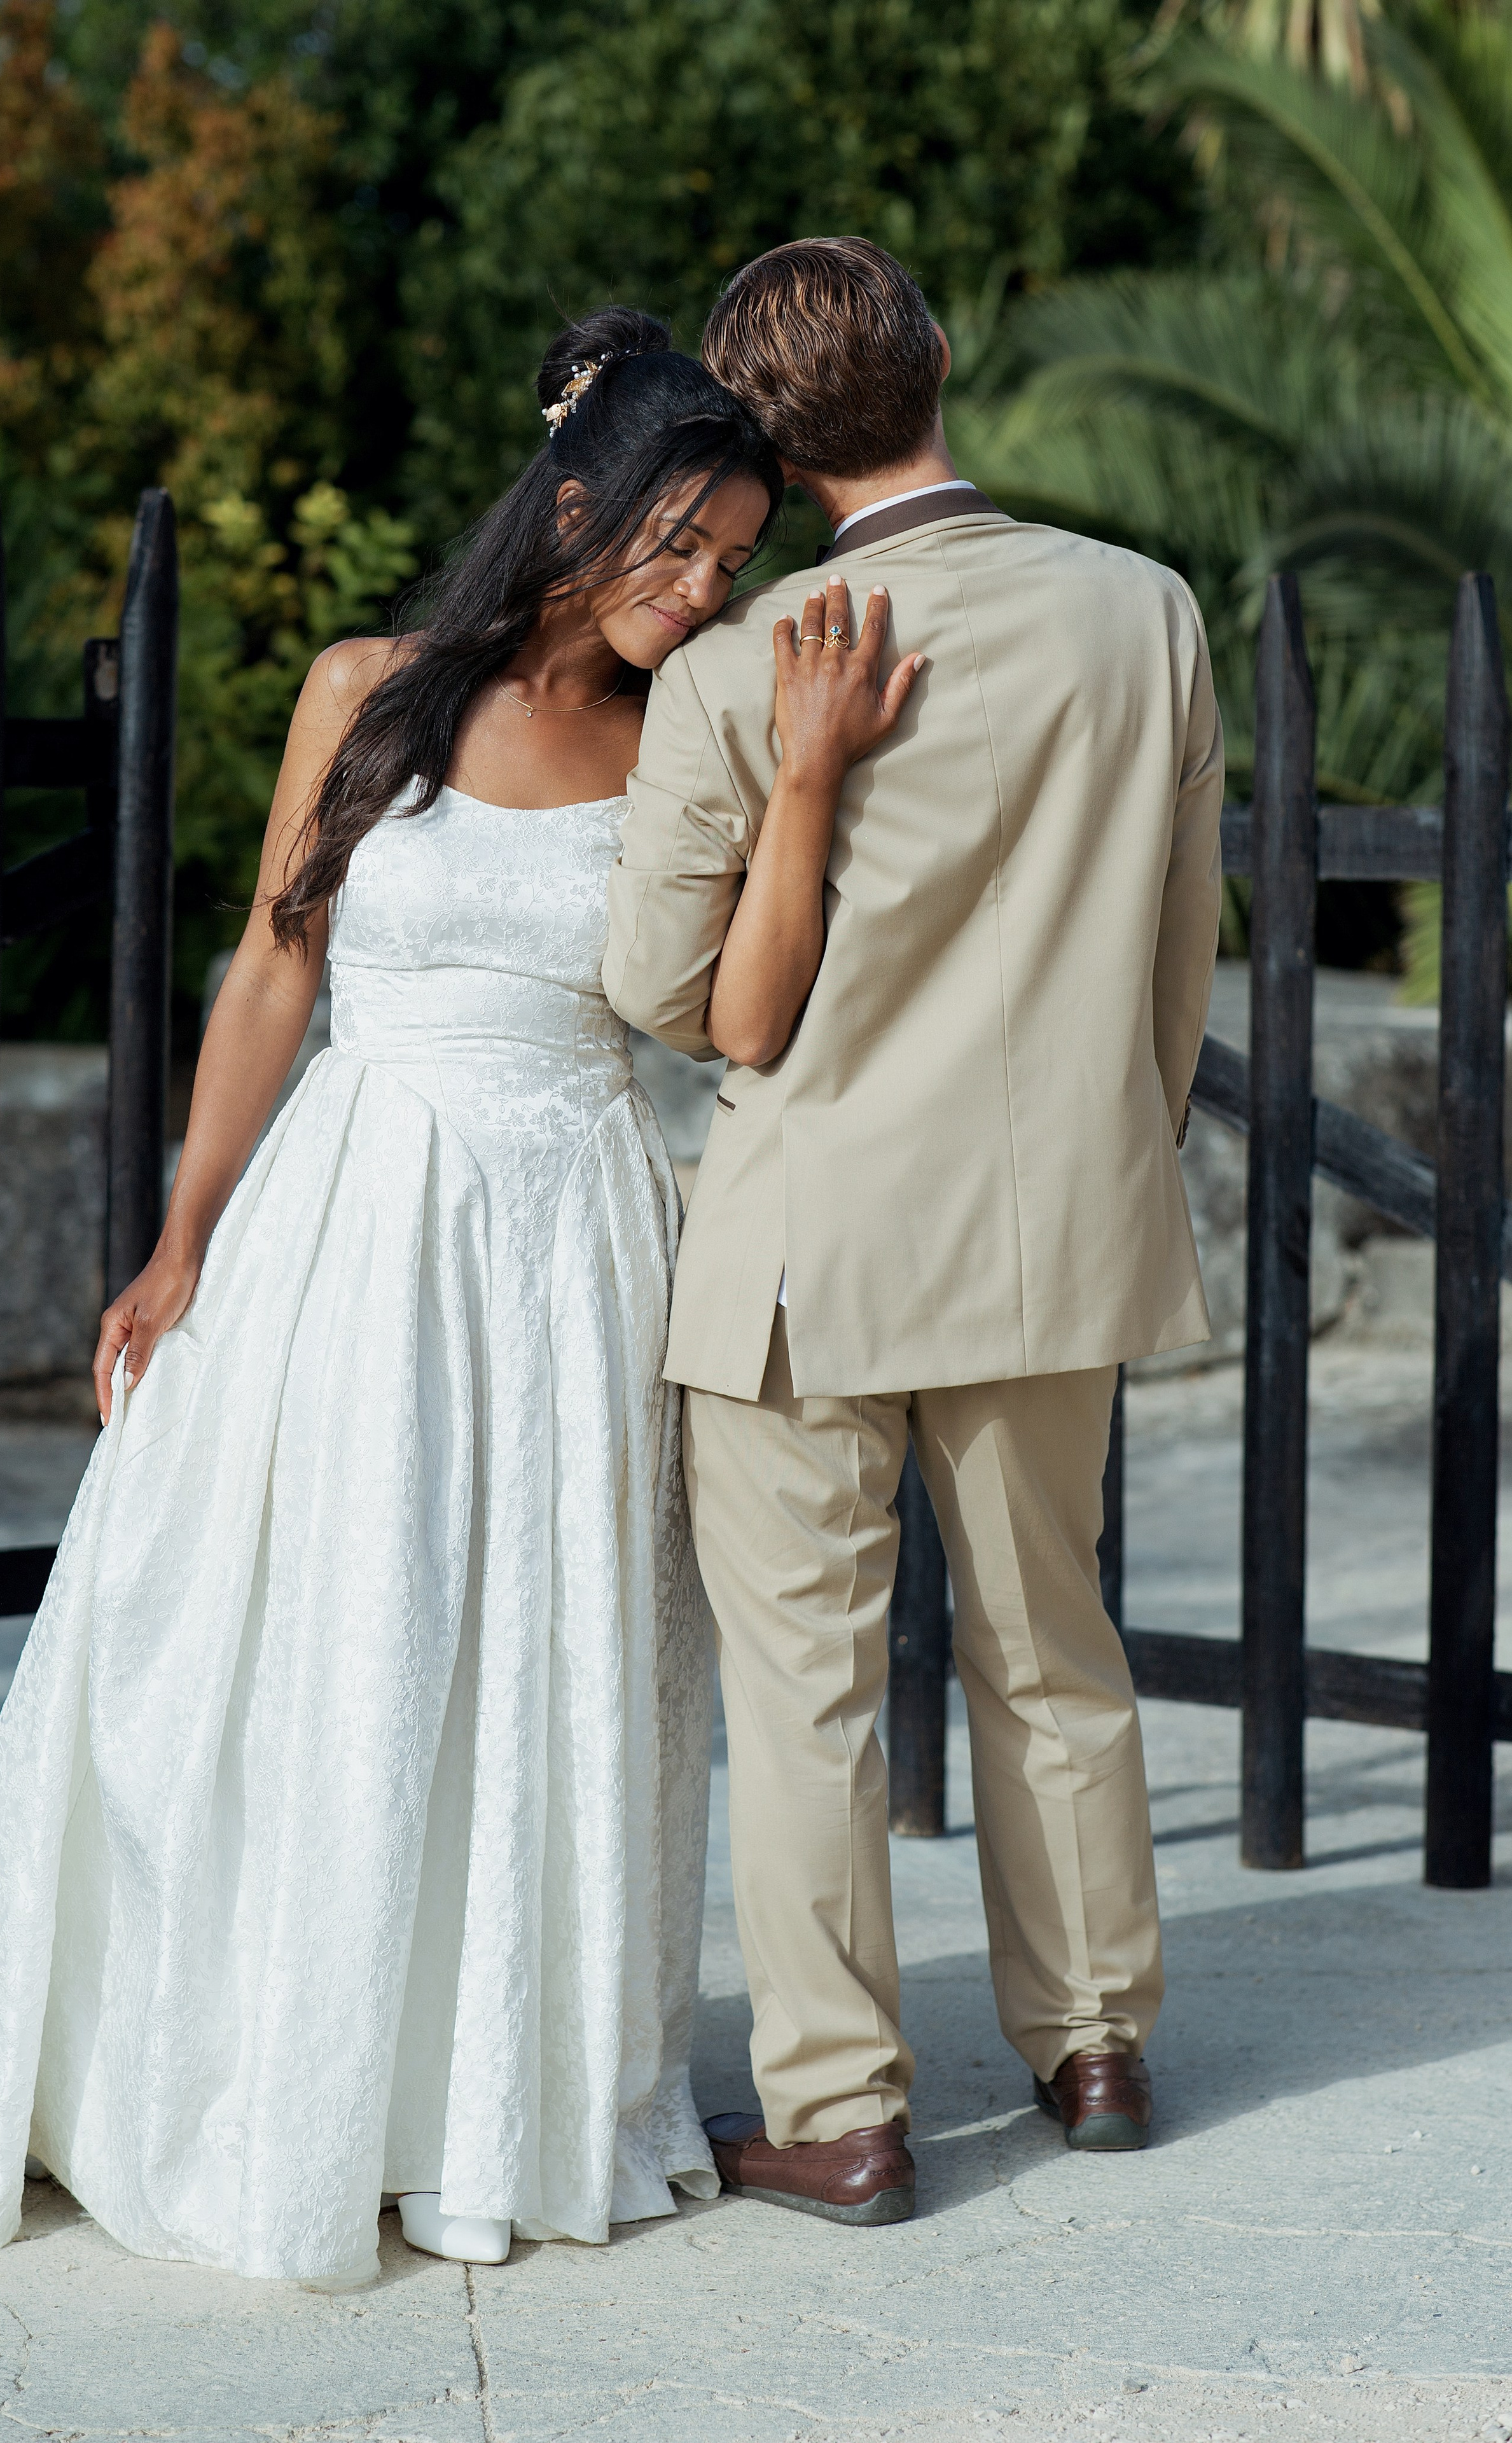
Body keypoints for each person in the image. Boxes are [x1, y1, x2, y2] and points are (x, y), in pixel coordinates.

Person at [0, 309, 907, 2288]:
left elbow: (743, 1014)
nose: (707, 586)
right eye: (680, 543)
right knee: (331, 1633)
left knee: (555, 1647)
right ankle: (283, 2064)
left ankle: (492, 2092)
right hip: (361, 1212)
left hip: (585, 1221)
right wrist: (184, 1236)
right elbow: (277, 967)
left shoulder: (694, 717)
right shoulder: (371, 688)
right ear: (576, 502)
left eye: (737, 555)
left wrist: (803, 780)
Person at [606, 237, 1224, 2227]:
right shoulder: (1147, 616)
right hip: (1058, 1226)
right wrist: (1109, 1140)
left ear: (762, 445)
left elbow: (670, 996)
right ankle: (1099, 2042)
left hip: (806, 1255)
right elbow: (1177, 957)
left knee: (810, 1691)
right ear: (940, 359)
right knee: (1059, 1649)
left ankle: (848, 2109)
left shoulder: (726, 670)